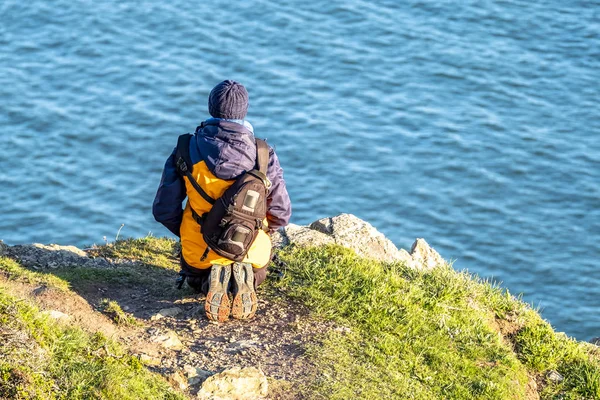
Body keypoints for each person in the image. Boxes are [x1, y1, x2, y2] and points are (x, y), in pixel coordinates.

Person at [152, 80, 291, 322]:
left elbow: (164, 210)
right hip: (250, 247)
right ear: (245, 109)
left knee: (196, 272)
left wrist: (194, 230)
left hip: (200, 251)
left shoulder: (186, 148)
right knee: (259, 266)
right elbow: (280, 213)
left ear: (211, 107)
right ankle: (243, 275)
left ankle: (211, 281)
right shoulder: (263, 154)